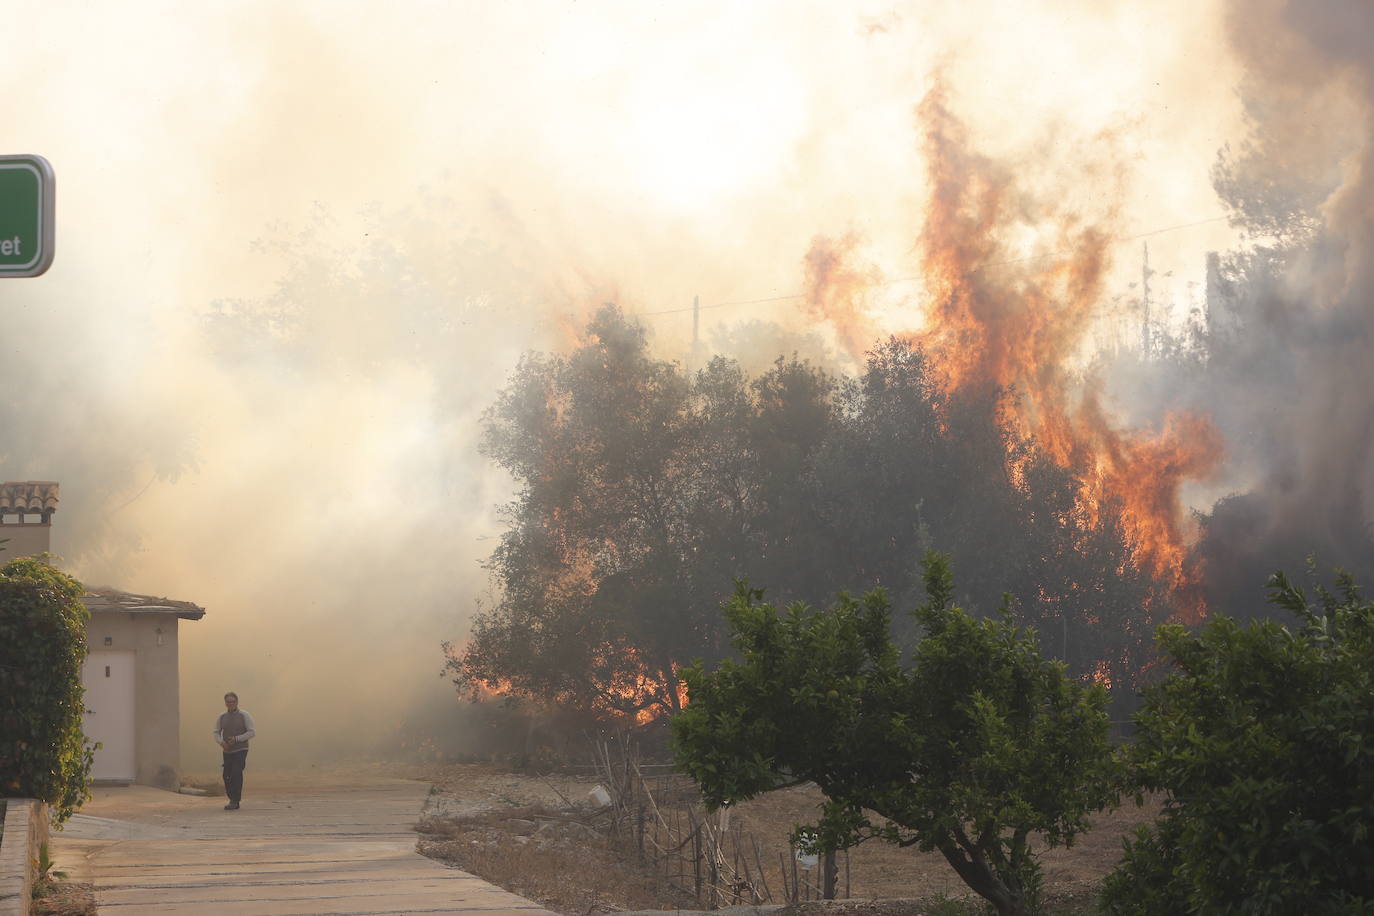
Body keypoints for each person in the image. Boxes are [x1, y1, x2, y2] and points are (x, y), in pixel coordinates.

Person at [213, 691, 256, 810]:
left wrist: (237, 739)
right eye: (228, 702)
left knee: (236, 773)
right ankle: (232, 797)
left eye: (233, 701)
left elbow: (252, 732)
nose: (230, 703)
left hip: (241, 749)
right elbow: (216, 732)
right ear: (225, 703)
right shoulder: (222, 717)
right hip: (227, 750)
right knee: (226, 775)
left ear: (237, 702)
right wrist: (222, 743)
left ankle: (235, 800)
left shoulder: (244, 715)